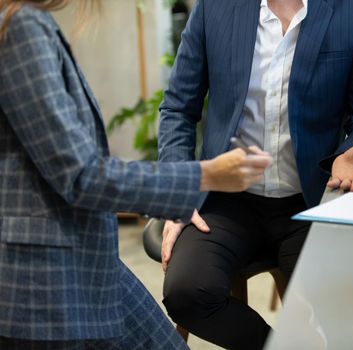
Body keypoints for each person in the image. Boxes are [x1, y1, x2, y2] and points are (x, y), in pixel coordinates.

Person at [0, 1, 272, 349]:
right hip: (43, 273)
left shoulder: (29, 24)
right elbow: (82, 175)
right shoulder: (20, 27)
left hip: (86, 253)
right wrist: (206, 175)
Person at [158, 0, 353, 349]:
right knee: (186, 294)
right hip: (227, 202)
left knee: (348, 314)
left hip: (312, 201)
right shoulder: (215, 7)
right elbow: (178, 107)